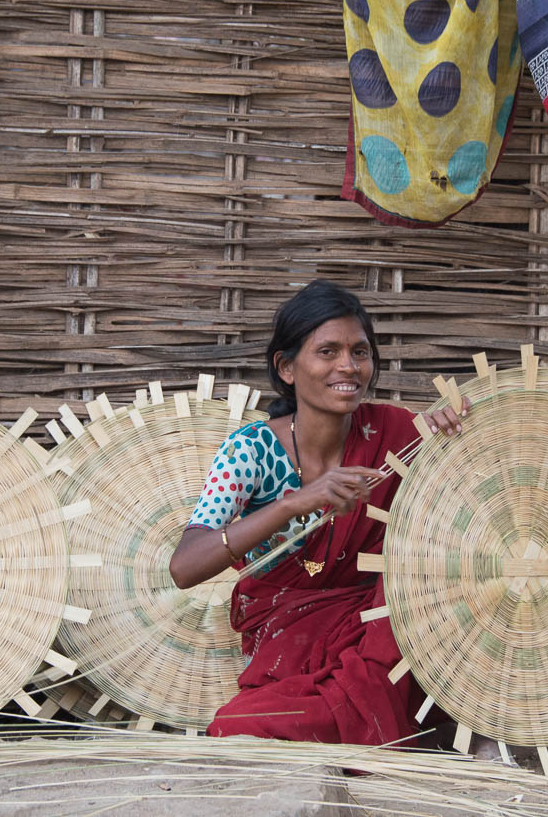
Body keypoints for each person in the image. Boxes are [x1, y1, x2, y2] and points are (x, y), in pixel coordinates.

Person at [168, 280, 466, 745]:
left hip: (385, 629)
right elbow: (185, 567)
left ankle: (398, 728)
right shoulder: (250, 451)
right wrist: (295, 501)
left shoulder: (396, 433)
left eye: (360, 352)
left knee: (414, 591)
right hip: (293, 635)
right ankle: (415, 736)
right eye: (327, 352)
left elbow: (464, 506)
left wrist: (454, 431)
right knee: (238, 727)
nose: (348, 367)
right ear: (286, 367)